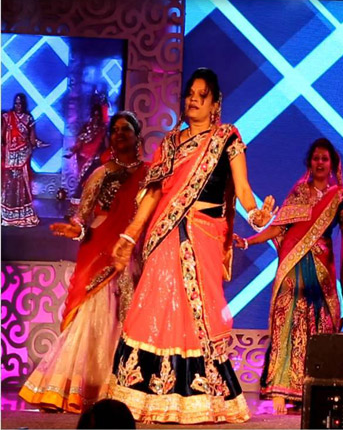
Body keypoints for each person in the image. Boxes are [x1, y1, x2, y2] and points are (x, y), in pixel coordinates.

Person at [107, 68, 276, 424]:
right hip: (166, 233)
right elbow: (154, 194)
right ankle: (147, 395)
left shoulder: (227, 138)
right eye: (190, 94)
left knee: (199, 312)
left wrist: (256, 214)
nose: (194, 100)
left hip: (204, 234)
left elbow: (243, 190)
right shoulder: (170, 143)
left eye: (202, 95)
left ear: (215, 104)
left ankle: (202, 397)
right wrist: (130, 235)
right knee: (156, 304)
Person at [234, 137, 343, 414]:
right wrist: (248, 242)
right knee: (287, 322)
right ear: (310, 162)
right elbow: (279, 228)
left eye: (325, 159)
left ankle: (314, 388)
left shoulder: (339, 197)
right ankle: (281, 389)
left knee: (320, 326)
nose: (320, 162)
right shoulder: (298, 192)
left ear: (332, 165)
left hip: (321, 271)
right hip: (293, 267)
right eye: (316, 158)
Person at [18, 111, 147, 413]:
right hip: (101, 252)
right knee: (96, 317)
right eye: (115, 130)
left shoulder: (150, 174)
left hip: (135, 252)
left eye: (126, 129)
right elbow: (83, 216)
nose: (119, 134)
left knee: (129, 319)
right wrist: (75, 229)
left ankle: (124, 389)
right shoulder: (100, 174)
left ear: (137, 136)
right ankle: (82, 389)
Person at [1, 93, 47, 227]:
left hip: (23, 155)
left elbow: (32, 139)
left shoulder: (28, 118)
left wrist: (38, 144)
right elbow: (2, 135)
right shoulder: (7, 117)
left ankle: (23, 214)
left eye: (20, 103)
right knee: (9, 183)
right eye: (16, 103)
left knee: (22, 183)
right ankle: (7, 214)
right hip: (9, 156)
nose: (18, 106)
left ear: (24, 104)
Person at [65, 103, 109, 191]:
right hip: (84, 159)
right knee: (83, 182)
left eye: (98, 115)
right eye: (94, 115)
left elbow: (107, 145)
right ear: (92, 115)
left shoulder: (103, 129)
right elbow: (79, 141)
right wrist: (72, 151)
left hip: (96, 160)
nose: (96, 117)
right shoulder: (87, 128)